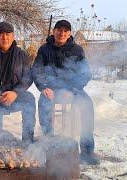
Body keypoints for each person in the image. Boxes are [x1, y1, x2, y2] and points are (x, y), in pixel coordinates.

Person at [32, 20, 99, 165]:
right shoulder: (44, 49)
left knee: (87, 105)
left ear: (69, 33)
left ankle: (87, 151)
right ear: (54, 31)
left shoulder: (77, 50)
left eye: (65, 31)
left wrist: (72, 89)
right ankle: (49, 144)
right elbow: (37, 70)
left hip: (74, 89)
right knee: (43, 102)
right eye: (59, 30)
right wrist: (44, 86)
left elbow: (86, 73)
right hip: (52, 90)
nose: (62, 33)